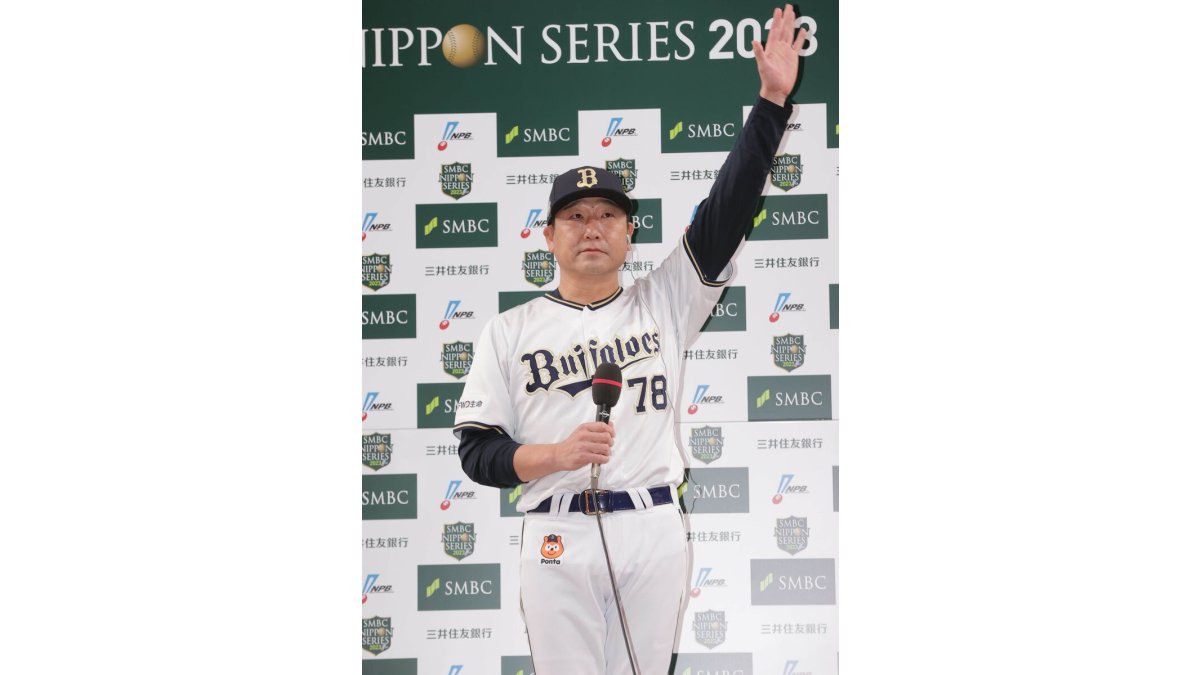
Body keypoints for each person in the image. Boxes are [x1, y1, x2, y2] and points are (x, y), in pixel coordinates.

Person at [453, 6, 808, 673]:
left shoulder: (665, 299)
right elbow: (477, 452)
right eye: (575, 216)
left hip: (652, 527)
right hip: (556, 530)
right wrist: (554, 454)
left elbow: (727, 209)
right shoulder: (509, 329)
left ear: (628, 233)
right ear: (548, 235)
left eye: (608, 215)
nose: (592, 226)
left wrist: (770, 103)